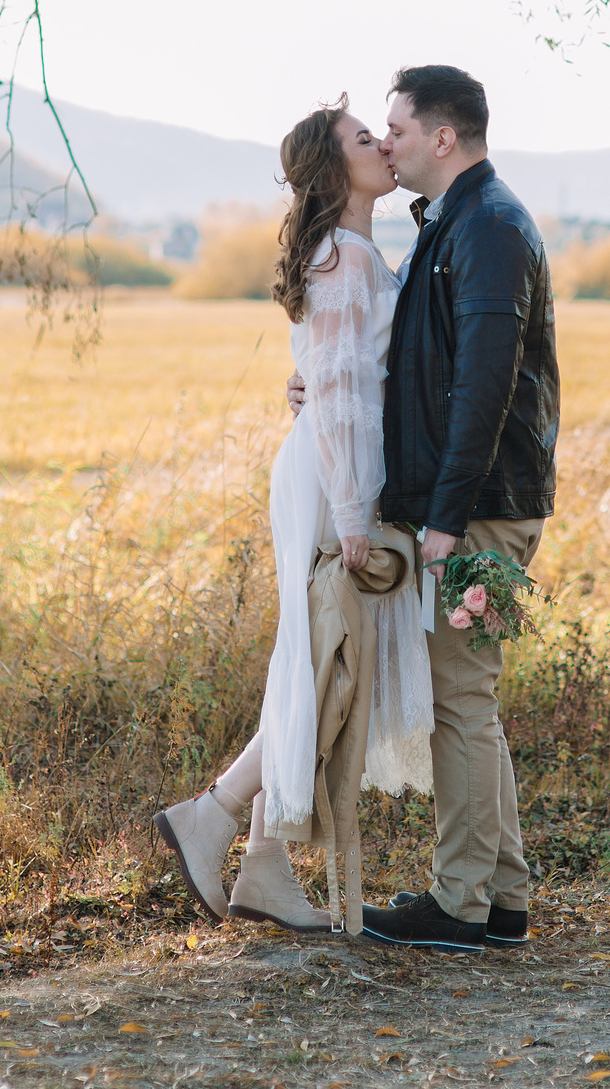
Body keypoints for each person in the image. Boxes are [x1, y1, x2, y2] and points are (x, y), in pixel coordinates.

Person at [152, 100, 434, 933]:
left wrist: (307, 385)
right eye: (362, 140)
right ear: (332, 168)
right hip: (333, 481)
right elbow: (344, 393)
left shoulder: (350, 249)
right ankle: (218, 815)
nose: (382, 146)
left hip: (330, 466)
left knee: (316, 662)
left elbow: (336, 372)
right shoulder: (343, 255)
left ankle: (261, 860)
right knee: (319, 659)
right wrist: (353, 513)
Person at [360, 64, 560, 953]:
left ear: (443, 137)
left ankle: (459, 904)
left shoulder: (490, 227)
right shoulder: (457, 222)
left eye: (396, 126)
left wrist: (442, 518)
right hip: (470, 502)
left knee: (459, 702)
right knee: (468, 695)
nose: (386, 140)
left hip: (479, 510)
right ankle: (503, 897)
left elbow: (482, 387)